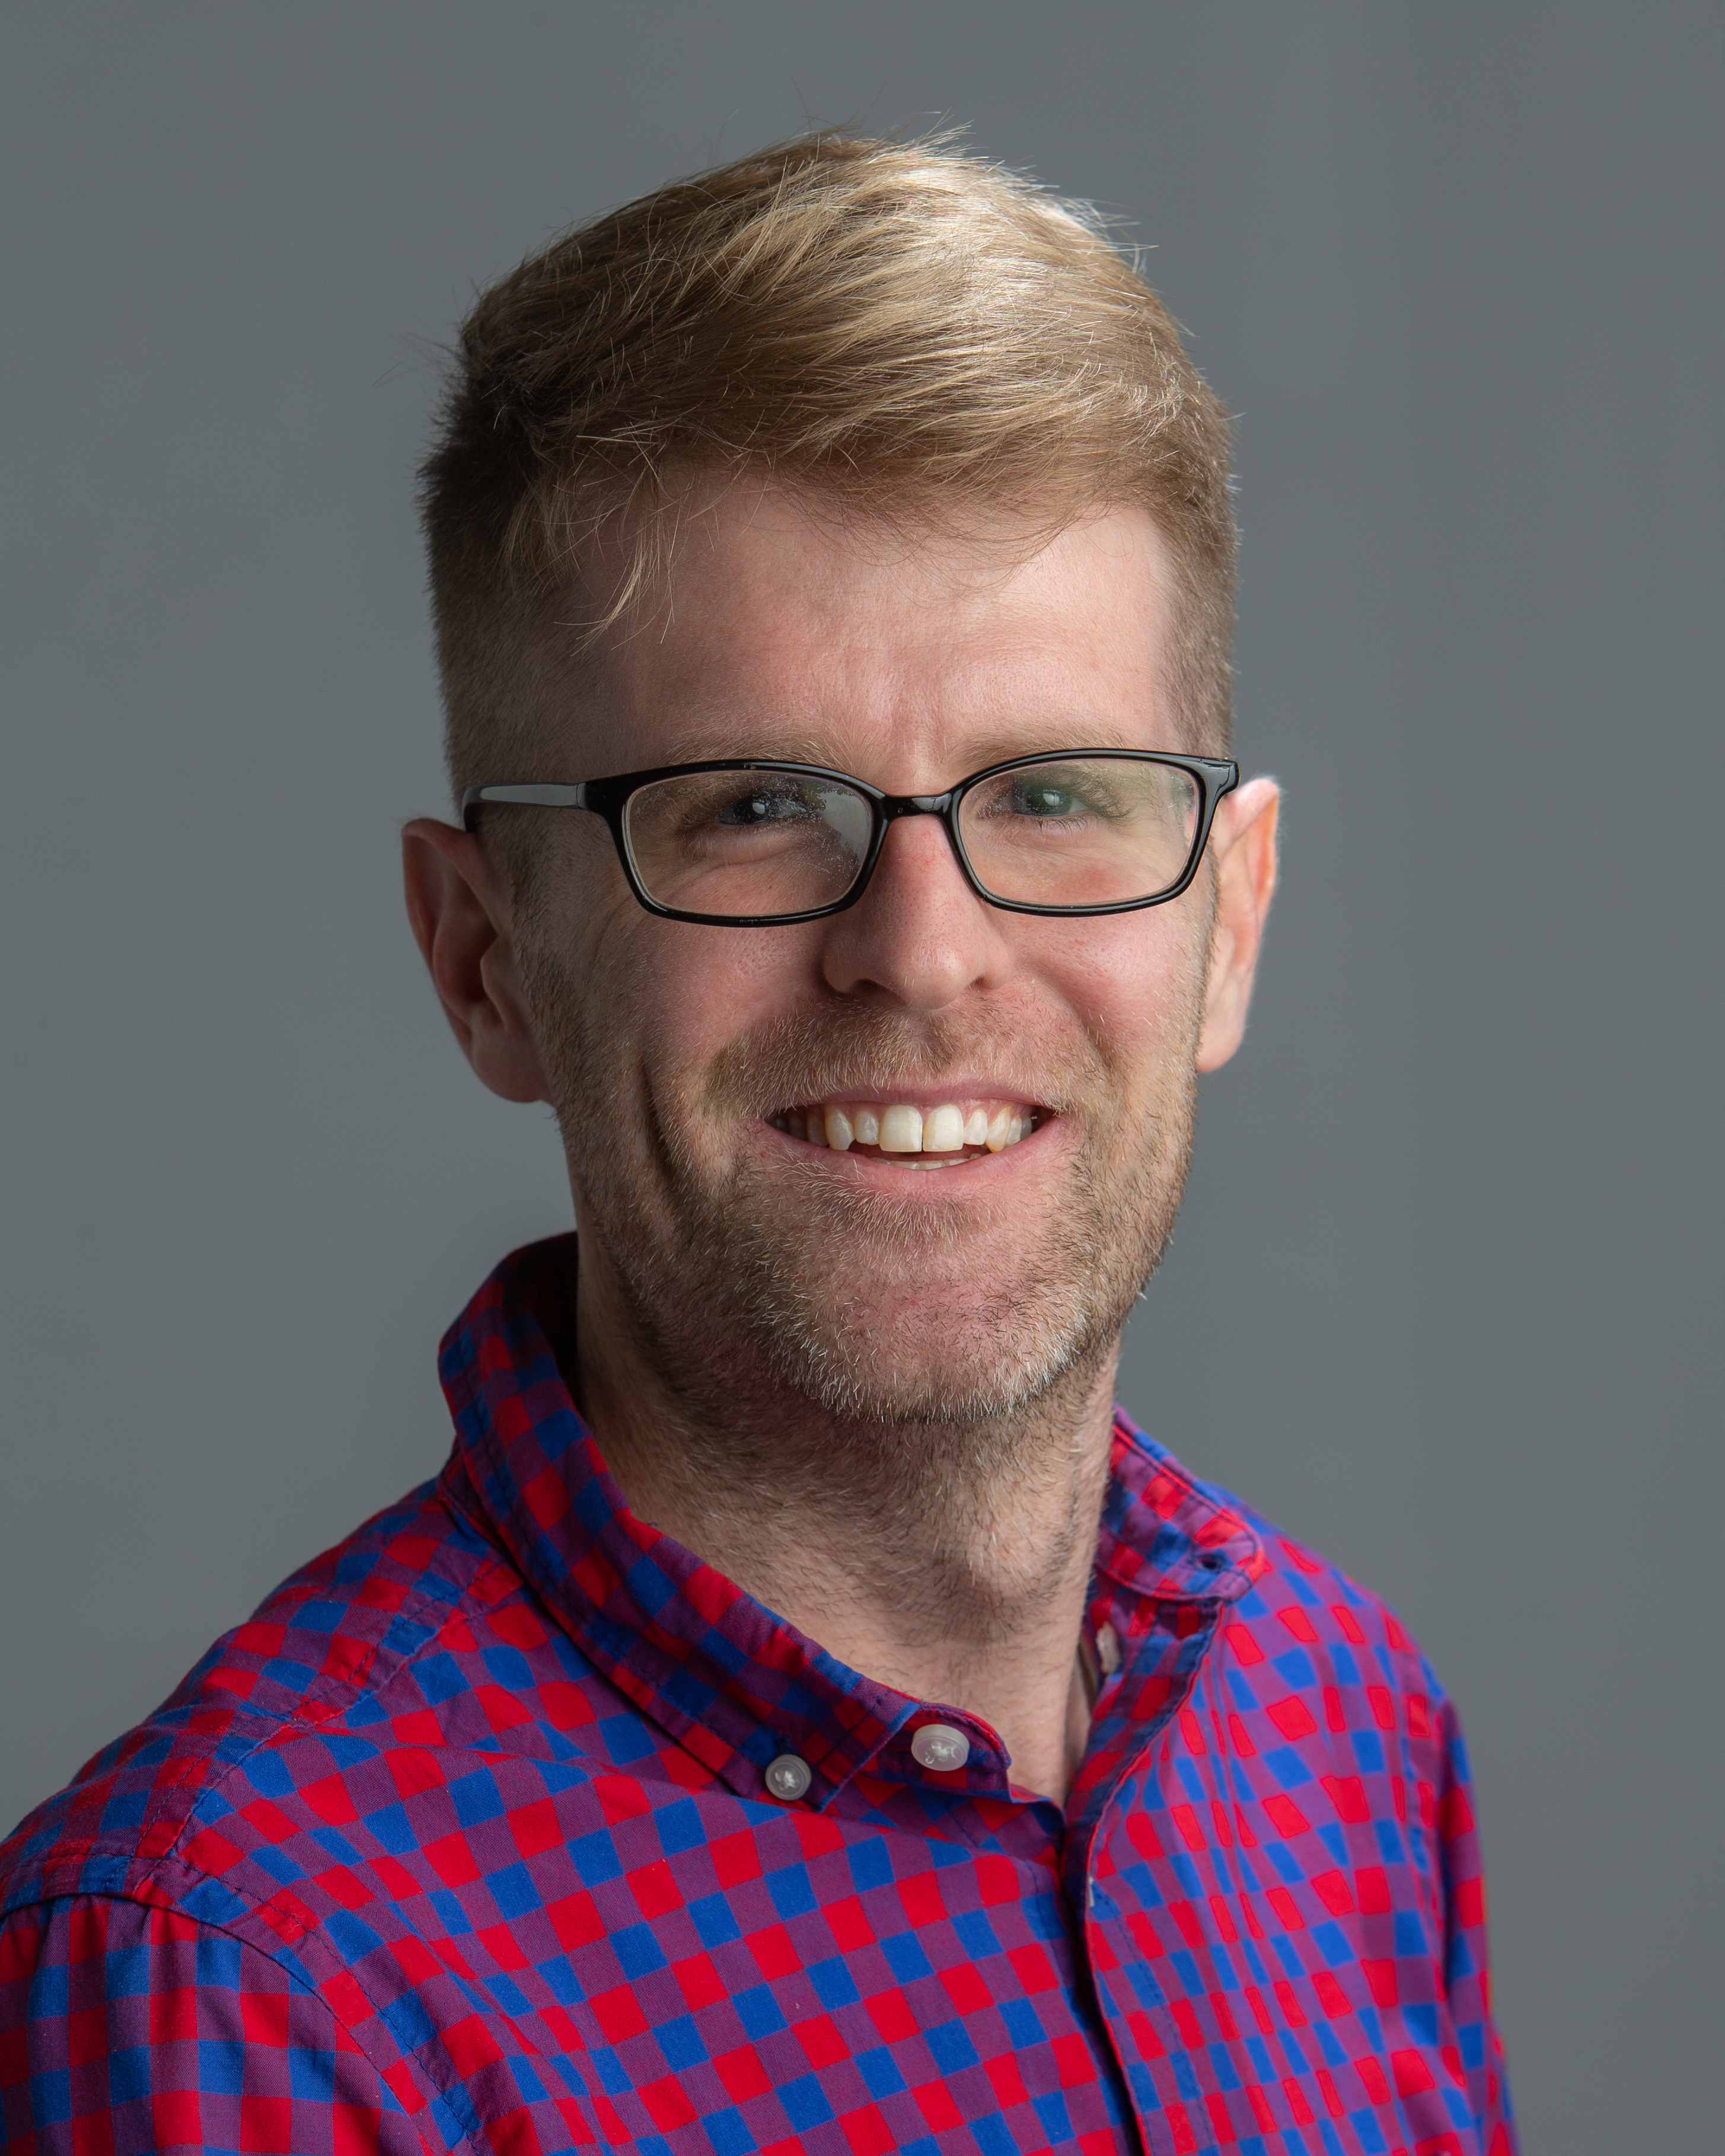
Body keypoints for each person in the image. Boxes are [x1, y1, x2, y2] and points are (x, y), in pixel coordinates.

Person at [0, 135, 1516, 2156]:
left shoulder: (1340, 1739)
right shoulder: (241, 1975)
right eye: (746, 809)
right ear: (486, 964)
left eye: (1057, 791)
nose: (921, 955)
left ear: (1227, 920)